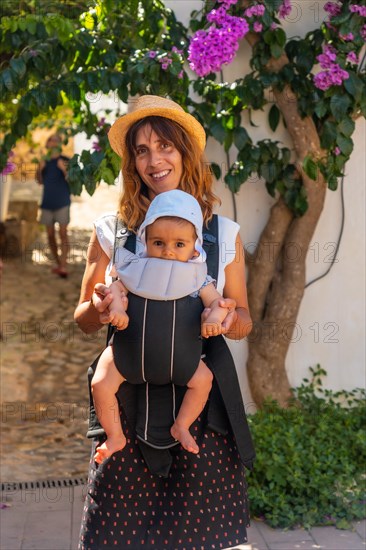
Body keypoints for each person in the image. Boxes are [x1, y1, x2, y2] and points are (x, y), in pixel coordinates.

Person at [74, 95, 255, 550]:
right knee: (115, 536)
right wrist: (102, 308)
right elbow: (81, 319)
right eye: (141, 150)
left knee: (199, 537)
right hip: (126, 398)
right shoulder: (111, 232)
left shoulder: (222, 235)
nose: (154, 160)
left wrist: (225, 318)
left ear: (185, 153)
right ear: (132, 163)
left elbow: (246, 318)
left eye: (164, 146)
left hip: (199, 413)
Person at [91, 190, 231, 464]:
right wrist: (117, 308)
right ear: (145, 241)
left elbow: (218, 304)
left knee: (203, 381)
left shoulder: (199, 278)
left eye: (179, 244)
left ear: (195, 246)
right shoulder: (133, 268)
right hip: (127, 355)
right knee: (100, 382)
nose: (167, 251)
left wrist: (215, 319)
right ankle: (115, 435)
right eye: (158, 242)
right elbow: (114, 291)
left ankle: (182, 425)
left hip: (183, 361)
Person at [36, 133, 70, 278]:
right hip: (47, 203)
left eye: (57, 140)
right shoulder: (44, 161)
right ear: (47, 143)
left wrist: (64, 169)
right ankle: (57, 263)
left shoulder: (66, 160)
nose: (55, 143)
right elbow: (39, 181)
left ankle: (63, 265)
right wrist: (39, 169)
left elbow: (72, 180)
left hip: (62, 202)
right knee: (50, 236)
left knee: (63, 233)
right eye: (52, 140)